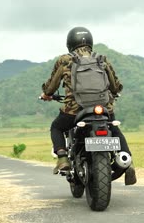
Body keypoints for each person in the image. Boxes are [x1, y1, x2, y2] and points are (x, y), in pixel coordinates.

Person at [40, 26, 137, 185]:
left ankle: (63, 158)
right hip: (103, 108)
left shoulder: (65, 60)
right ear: (90, 42)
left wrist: (47, 94)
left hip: (74, 110)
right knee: (113, 128)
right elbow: (115, 85)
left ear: (70, 43)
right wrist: (115, 91)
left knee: (56, 127)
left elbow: (51, 86)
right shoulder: (101, 59)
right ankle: (127, 159)